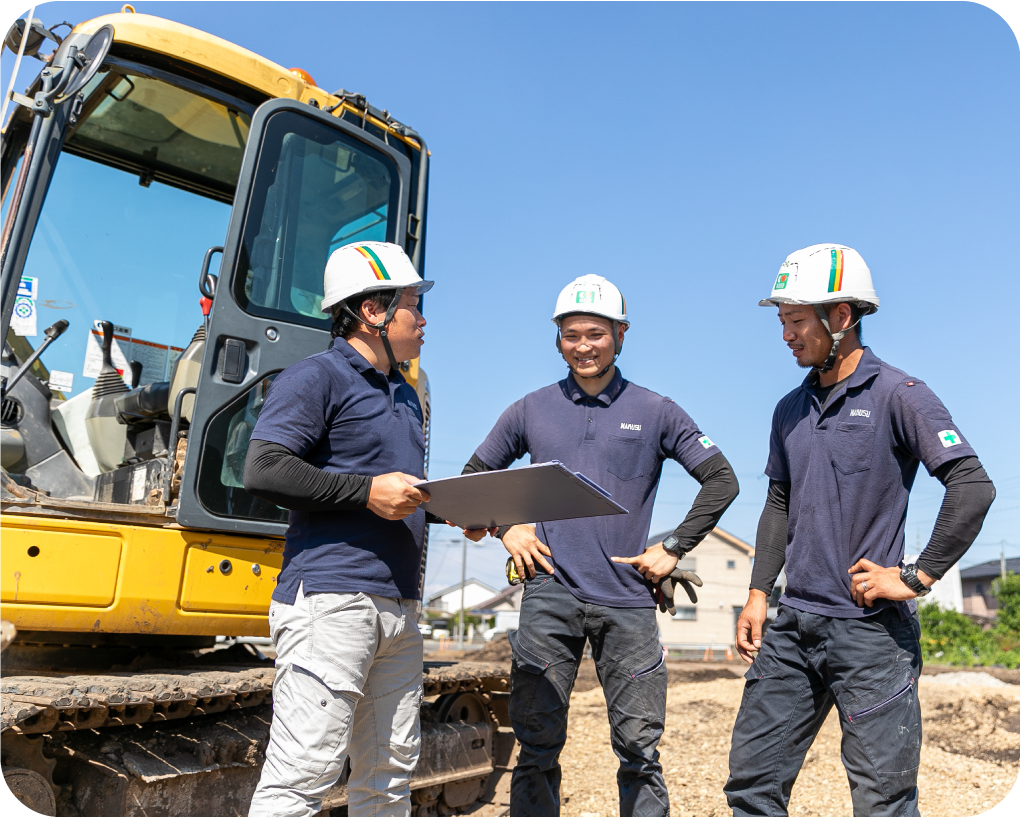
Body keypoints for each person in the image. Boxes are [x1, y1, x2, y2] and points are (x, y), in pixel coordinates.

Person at [725, 244, 996, 817]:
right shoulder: (788, 409)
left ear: (841, 317)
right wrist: (756, 594)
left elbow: (972, 486)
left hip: (870, 636)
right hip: (794, 626)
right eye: (782, 321)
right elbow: (778, 501)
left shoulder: (901, 395)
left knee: (883, 802)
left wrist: (917, 576)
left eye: (796, 321)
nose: (786, 335)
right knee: (751, 788)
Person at [461, 274, 739, 817]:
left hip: (629, 602)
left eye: (595, 333)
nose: (583, 346)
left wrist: (675, 547)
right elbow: (474, 478)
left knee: (639, 750)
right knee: (536, 748)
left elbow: (722, 479)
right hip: (549, 597)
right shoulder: (530, 410)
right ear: (557, 339)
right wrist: (506, 527)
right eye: (570, 335)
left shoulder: (657, 410)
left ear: (620, 334)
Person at [244, 242, 454, 817]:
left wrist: (453, 510)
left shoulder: (408, 397)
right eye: (413, 304)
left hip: (397, 608)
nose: (424, 318)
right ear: (373, 312)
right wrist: (365, 492)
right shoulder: (315, 377)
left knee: (388, 775)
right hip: (331, 603)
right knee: (303, 774)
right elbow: (262, 467)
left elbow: (396, 493)